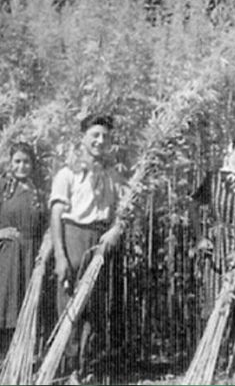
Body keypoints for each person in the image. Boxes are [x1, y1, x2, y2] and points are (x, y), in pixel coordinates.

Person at [49, 114, 125, 382]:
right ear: (83, 138)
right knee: (70, 302)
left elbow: (122, 212)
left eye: (105, 136)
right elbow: (56, 216)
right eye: (95, 135)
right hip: (74, 237)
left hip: (101, 241)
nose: (100, 141)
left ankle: (84, 368)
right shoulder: (68, 173)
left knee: (94, 305)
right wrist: (60, 256)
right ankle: (67, 369)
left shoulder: (112, 175)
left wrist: (116, 230)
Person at [189, 134, 235, 373]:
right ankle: (209, 361)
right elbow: (194, 205)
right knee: (215, 302)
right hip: (217, 247)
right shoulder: (214, 178)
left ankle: (232, 365)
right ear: (229, 150)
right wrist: (200, 238)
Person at [0, 143, 48, 357]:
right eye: (17, 161)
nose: (22, 166)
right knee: (5, 306)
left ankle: (21, 363)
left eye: (26, 161)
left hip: (32, 257)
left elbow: (49, 226)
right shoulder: (3, 189)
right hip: (7, 257)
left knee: (26, 309)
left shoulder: (40, 192)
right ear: (10, 164)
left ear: (33, 164)